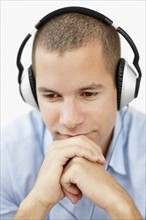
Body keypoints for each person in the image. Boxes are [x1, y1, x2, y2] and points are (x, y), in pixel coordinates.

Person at [1, 6, 145, 220]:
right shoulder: (7, 156)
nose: (69, 120)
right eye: (51, 96)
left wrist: (121, 207)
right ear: (31, 94)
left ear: (123, 88)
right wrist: (37, 203)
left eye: (88, 94)